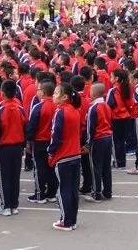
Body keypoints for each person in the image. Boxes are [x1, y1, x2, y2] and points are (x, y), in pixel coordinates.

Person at [48, 81, 83, 231]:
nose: (53, 96)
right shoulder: (75, 111)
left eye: (56, 93)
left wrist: (50, 150)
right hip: (75, 154)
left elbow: (56, 135)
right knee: (73, 189)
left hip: (64, 155)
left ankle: (66, 220)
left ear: (65, 97)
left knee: (64, 190)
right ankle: (72, 219)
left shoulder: (60, 112)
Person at [0, 78, 27, 215]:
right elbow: (25, 128)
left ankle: (6, 206)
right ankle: (14, 205)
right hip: (18, 147)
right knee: (15, 176)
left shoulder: (0, 111)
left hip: (4, 148)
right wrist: (24, 144)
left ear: (2, 94)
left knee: (4, 176)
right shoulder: (20, 109)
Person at [84, 81, 113, 202]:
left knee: (96, 166)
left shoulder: (93, 108)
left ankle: (96, 193)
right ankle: (107, 191)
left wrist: (88, 143)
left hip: (98, 138)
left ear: (94, 94)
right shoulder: (106, 105)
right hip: (107, 136)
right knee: (106, 166)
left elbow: (90, 127)